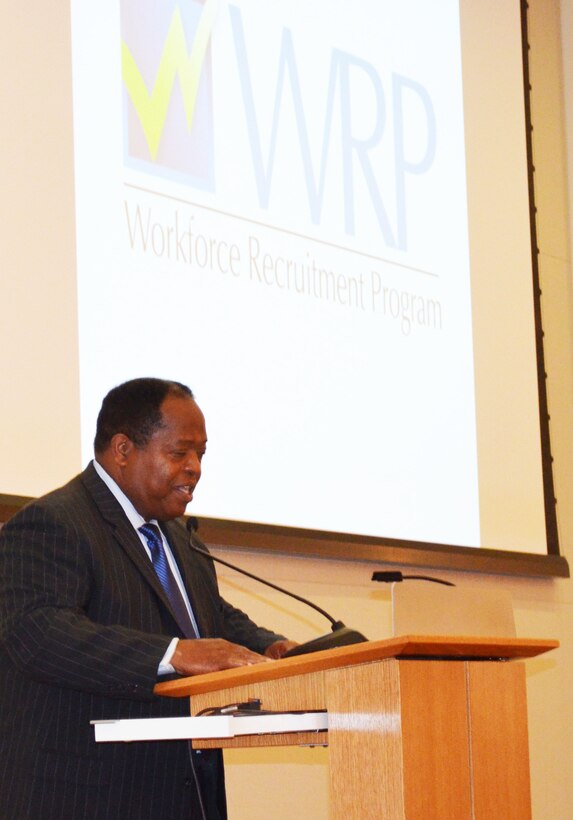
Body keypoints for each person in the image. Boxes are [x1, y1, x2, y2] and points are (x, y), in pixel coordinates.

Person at [0, 378, 296, 819]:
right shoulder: (53, 522)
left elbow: (212, 619)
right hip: (85, 797)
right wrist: (174, 654)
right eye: (180, 453)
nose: (195, 467)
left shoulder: (177, 537)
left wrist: (277, 650)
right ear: (122, 449)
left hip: (182, 794)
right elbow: (38, 633)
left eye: (201, 454)